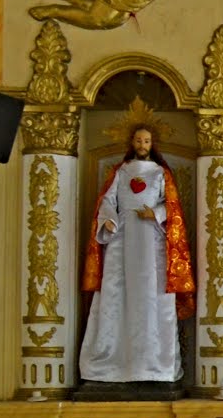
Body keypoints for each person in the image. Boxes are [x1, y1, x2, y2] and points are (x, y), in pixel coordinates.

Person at [80, 125, 194, 385]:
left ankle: (153, 365)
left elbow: (172, 205)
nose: (142, 144)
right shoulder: (120, 171)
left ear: (152, 144)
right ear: (132, 142)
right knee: (116, 296)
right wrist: (107, 220)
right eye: (139, 140)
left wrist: (154, 213)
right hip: (121, 239)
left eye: (147, 140)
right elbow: (108, 200)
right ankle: (109, 363)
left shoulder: (160, 173)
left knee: (151, 300)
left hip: (151, 244)